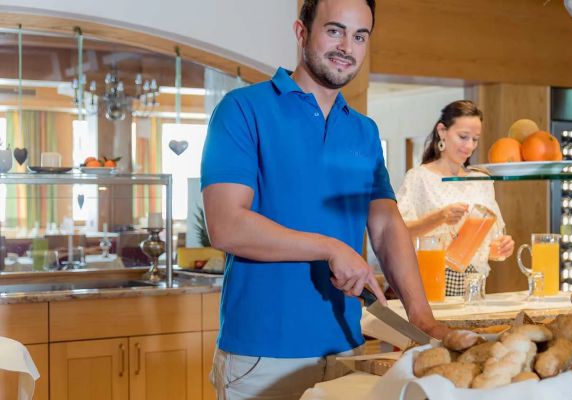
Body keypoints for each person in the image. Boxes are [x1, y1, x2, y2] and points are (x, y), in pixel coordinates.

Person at [200, 0, 448, 398]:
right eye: (335, 31)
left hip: (345, 347)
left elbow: (385, 226)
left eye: (360, 36)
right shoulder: (243, 110)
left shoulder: (364, 131)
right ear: (302, 33)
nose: (347, 46)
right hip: (263, 356)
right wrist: (330, 247)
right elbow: (227, 225)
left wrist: (423, 320)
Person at [396, 100, 515, 296]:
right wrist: (439, 217)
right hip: (430, 282)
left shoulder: (482, 180)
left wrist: (499, 249)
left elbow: (490, 245)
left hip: (475, 287)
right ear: (442, 131)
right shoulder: (419, 178)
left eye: (475, 139)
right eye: (463, 137)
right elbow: (397, 233)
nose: (469, 146)